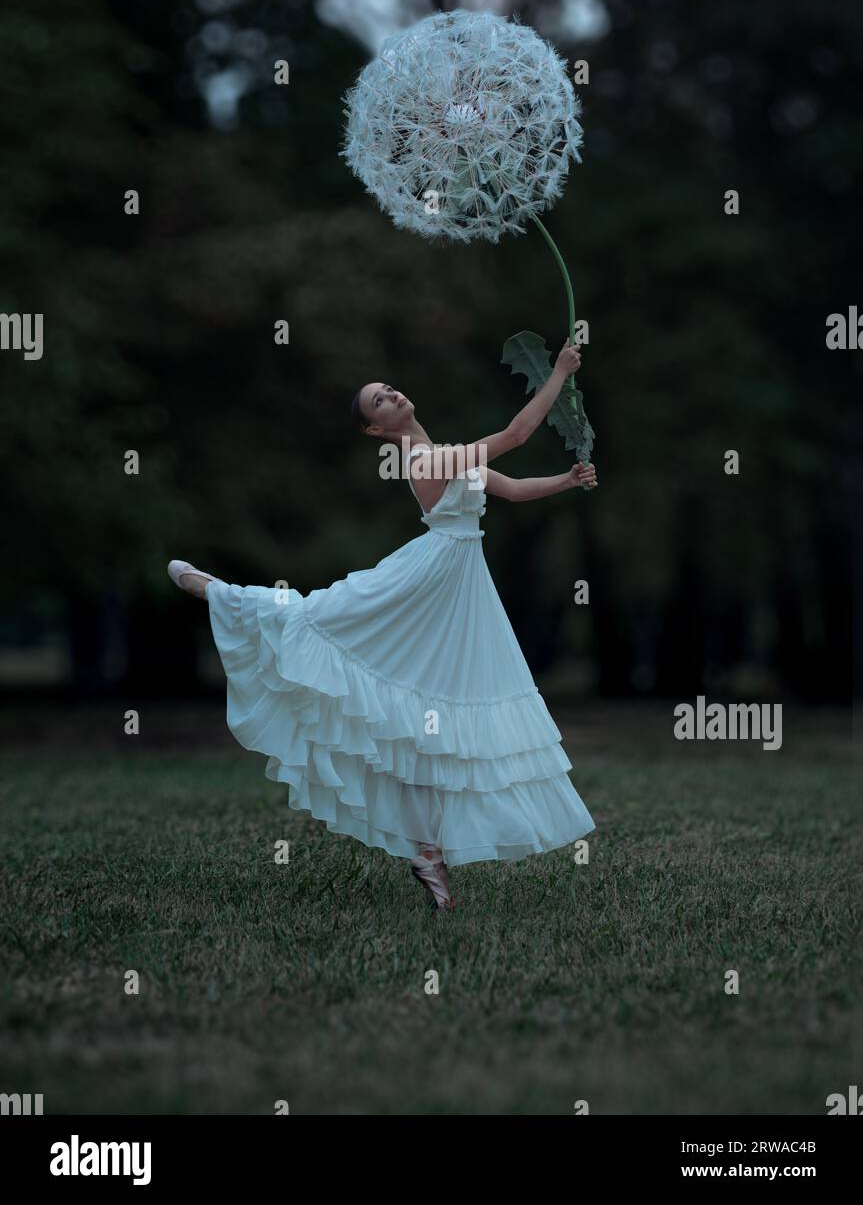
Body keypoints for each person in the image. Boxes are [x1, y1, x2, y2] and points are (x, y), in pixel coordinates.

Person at [169, 341, 596, 912]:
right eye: (379, 400)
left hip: (463, 588)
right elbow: (516, 435)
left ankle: (429, 851)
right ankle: (219, 593)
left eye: (388, 387)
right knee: (313, 616)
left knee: (433, 714)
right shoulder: (424, 461)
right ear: (377, 431)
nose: (392, 393)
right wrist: (560, 373)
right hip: (429, 578)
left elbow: (512, 488)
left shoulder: (443, 451)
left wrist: (567, 480)